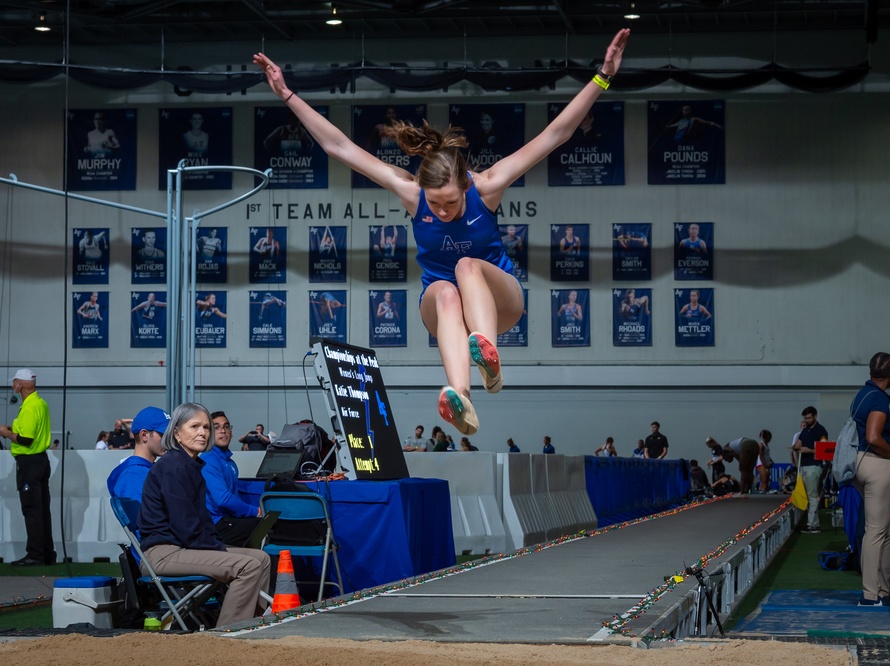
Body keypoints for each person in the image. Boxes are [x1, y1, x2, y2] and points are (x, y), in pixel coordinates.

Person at [253, 28, 629, 437]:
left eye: (451, 202)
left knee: (468, 266)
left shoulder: (487, 186)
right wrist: (287, 94)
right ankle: (461, 395)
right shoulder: (413, 194)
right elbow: (340, 148)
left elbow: (555, 134)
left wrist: (602, 77)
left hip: (499, 300)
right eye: (436, 204)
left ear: (466, 186)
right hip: (443, 307)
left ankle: (487, 351)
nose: (444, 210)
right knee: (447, 288)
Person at [137, 403, 271, 627]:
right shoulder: (173, 467)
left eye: (206, 427)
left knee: (262, 559)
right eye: (195, 426)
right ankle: (228, 634)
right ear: (177, 433)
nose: (203, 432)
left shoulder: (191, 467)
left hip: (184, 547)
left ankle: (252, 625)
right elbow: (186, 528)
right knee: (249, 565)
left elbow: (202, 523)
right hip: (164, 553)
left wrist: (219, 546)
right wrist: (220, 550)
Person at [852, 352, 890, 608]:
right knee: (876, 531)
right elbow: (874, 437)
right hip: (878, 466)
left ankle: (885, 590)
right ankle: (870, 595)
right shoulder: (879, 399)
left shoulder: (863, 394)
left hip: (864, 464)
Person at [0, 369, 55, 566]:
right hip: (41, 461)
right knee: (42, 509)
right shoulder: (40, 403)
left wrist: (5, 432)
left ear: (20, 385)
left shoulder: (29, 407)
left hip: (29, 463)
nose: (13, 386)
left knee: (31, 509)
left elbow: (26, 439)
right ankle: (47, 553)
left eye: (14, 383)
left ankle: (35, 555)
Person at [201, 411, 265, 548]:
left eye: (226, 426)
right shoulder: (208, 461)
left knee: (267, 523)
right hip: (214, 525)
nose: (223, 431)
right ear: (208, 433)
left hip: (228, 520)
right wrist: (256, 511)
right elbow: (223, 499)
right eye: (216, 427)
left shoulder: (230, 463)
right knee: (263, 525)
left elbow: (233, 499)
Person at [106, 406, 169, 503]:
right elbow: (141, 517)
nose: (168, 440)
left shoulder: (143, 470)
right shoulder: (134, 476)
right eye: (163, 435)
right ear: (144, 435)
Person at [793, 406, 829, 533]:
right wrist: (796, 446)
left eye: (809, 418)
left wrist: (809, 450)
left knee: (812, 496)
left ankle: (811, 525)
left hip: (814, 466)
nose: (807, 421)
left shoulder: (821, 431)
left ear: (815, 416)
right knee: (809, 496)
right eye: (805, 418)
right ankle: (814, 524)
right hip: (804, 466)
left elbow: (825, 451)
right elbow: (797, 444)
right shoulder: (805, 430)